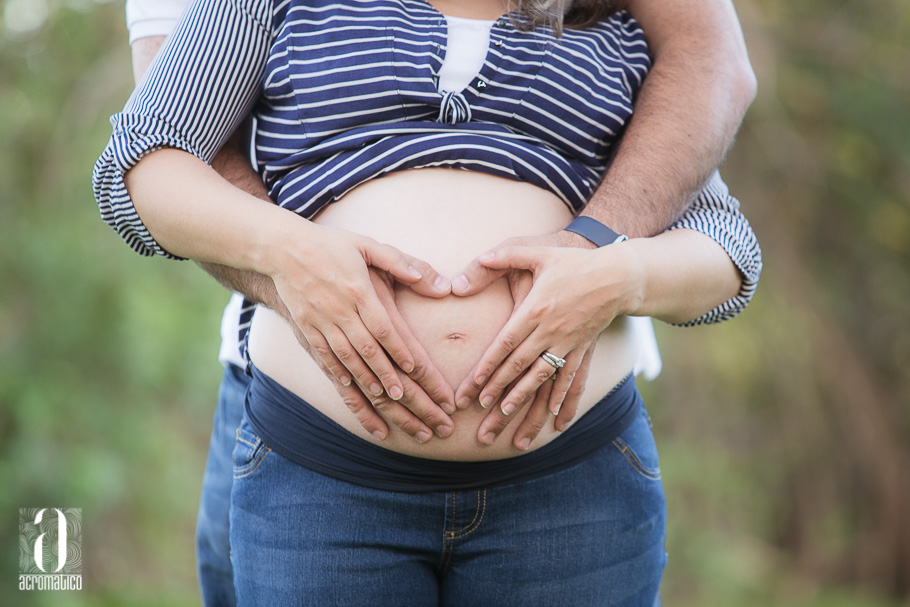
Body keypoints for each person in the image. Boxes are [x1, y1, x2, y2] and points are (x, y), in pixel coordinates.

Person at [104, 0, 761, 604]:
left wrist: (617, 274)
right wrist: (286, 249)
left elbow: (727, 244)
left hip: (572, 492)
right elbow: (143, 160)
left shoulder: (607, 32)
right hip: (323, 481)